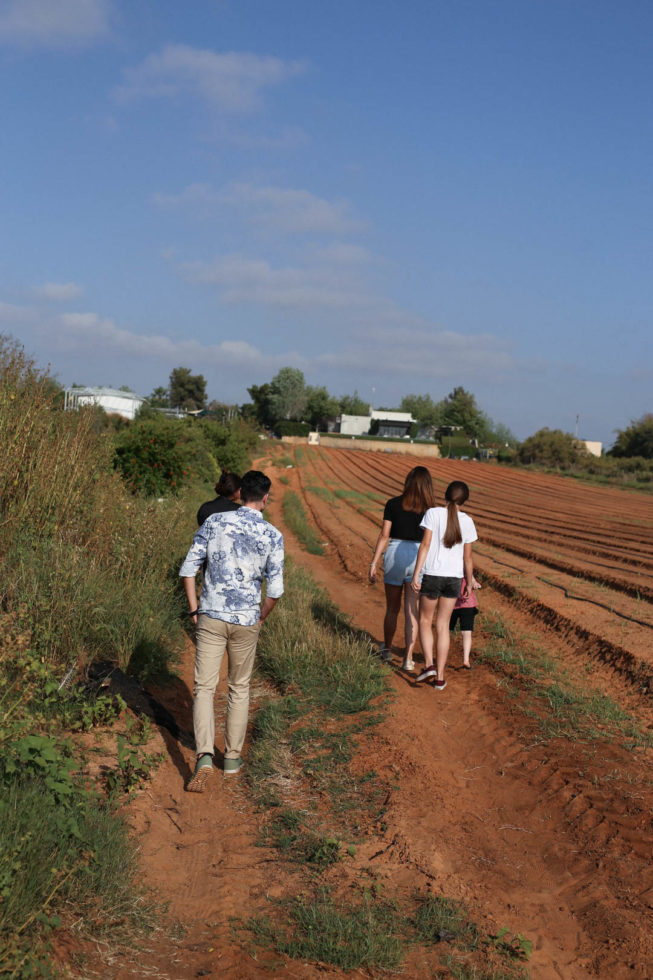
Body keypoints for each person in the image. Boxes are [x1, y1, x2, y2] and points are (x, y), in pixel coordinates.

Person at [179, 470, 284, 791]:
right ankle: (233, 760)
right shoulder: (272, 535)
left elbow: (188, 569)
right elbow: (275, 590)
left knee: (204, 688)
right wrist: (261, 616)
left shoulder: (213, 523)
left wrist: (195, 608)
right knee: (239, 688)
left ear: (239, 494)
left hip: (211, 615)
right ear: (264, 498)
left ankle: (205, 756)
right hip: (246, 619)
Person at [410, 480, 477, 691]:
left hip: (432, 575)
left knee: (424, 620)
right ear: (464, 501)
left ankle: (429, 664)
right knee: (443, 626)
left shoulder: (433, 513)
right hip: (454, 579)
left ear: (445, 495)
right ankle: (440, 677)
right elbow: (468, 557)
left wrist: (416, 574)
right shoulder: (467, 521)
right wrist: (469, 581)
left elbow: (425, 545)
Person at [369, 466, 436, 671]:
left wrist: (374, 562)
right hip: (419, 557)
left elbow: (384, 535)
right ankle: (408, 658)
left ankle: (387, 649)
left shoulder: (393, 504)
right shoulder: (431, 511)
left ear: (407, 482)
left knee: (392, 608)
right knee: (412, 611)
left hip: (395, 553)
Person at [449, 576, 481, 669]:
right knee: (447, 631)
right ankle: (464, 660)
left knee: (466, 632)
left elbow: (470, 576)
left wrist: (474, 583)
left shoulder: (463, 565)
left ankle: (466, 660)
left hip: (463, 604)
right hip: (454, 604)